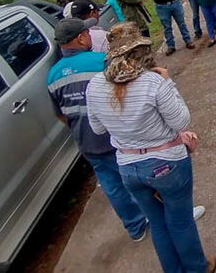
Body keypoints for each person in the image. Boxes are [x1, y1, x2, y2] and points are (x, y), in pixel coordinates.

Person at [86, 31, 216, 273]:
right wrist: (168, 82)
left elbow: (97, 127)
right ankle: (197, 268)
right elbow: (181, 121)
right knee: (180, 221)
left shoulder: (95, 84)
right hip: (166, 163)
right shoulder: (152, 82)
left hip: (128, 165)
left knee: (157, 224)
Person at [47, 18, 148, 243]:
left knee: (112, 186)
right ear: (80, 38)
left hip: (86, 140)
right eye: (88, 32)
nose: (91, 36)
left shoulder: (52, 75)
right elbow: (124, 93)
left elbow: (60, 114)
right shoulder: (100, 61)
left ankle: (135, 228)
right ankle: (155, 215)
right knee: (139, 177)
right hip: (114, 135)